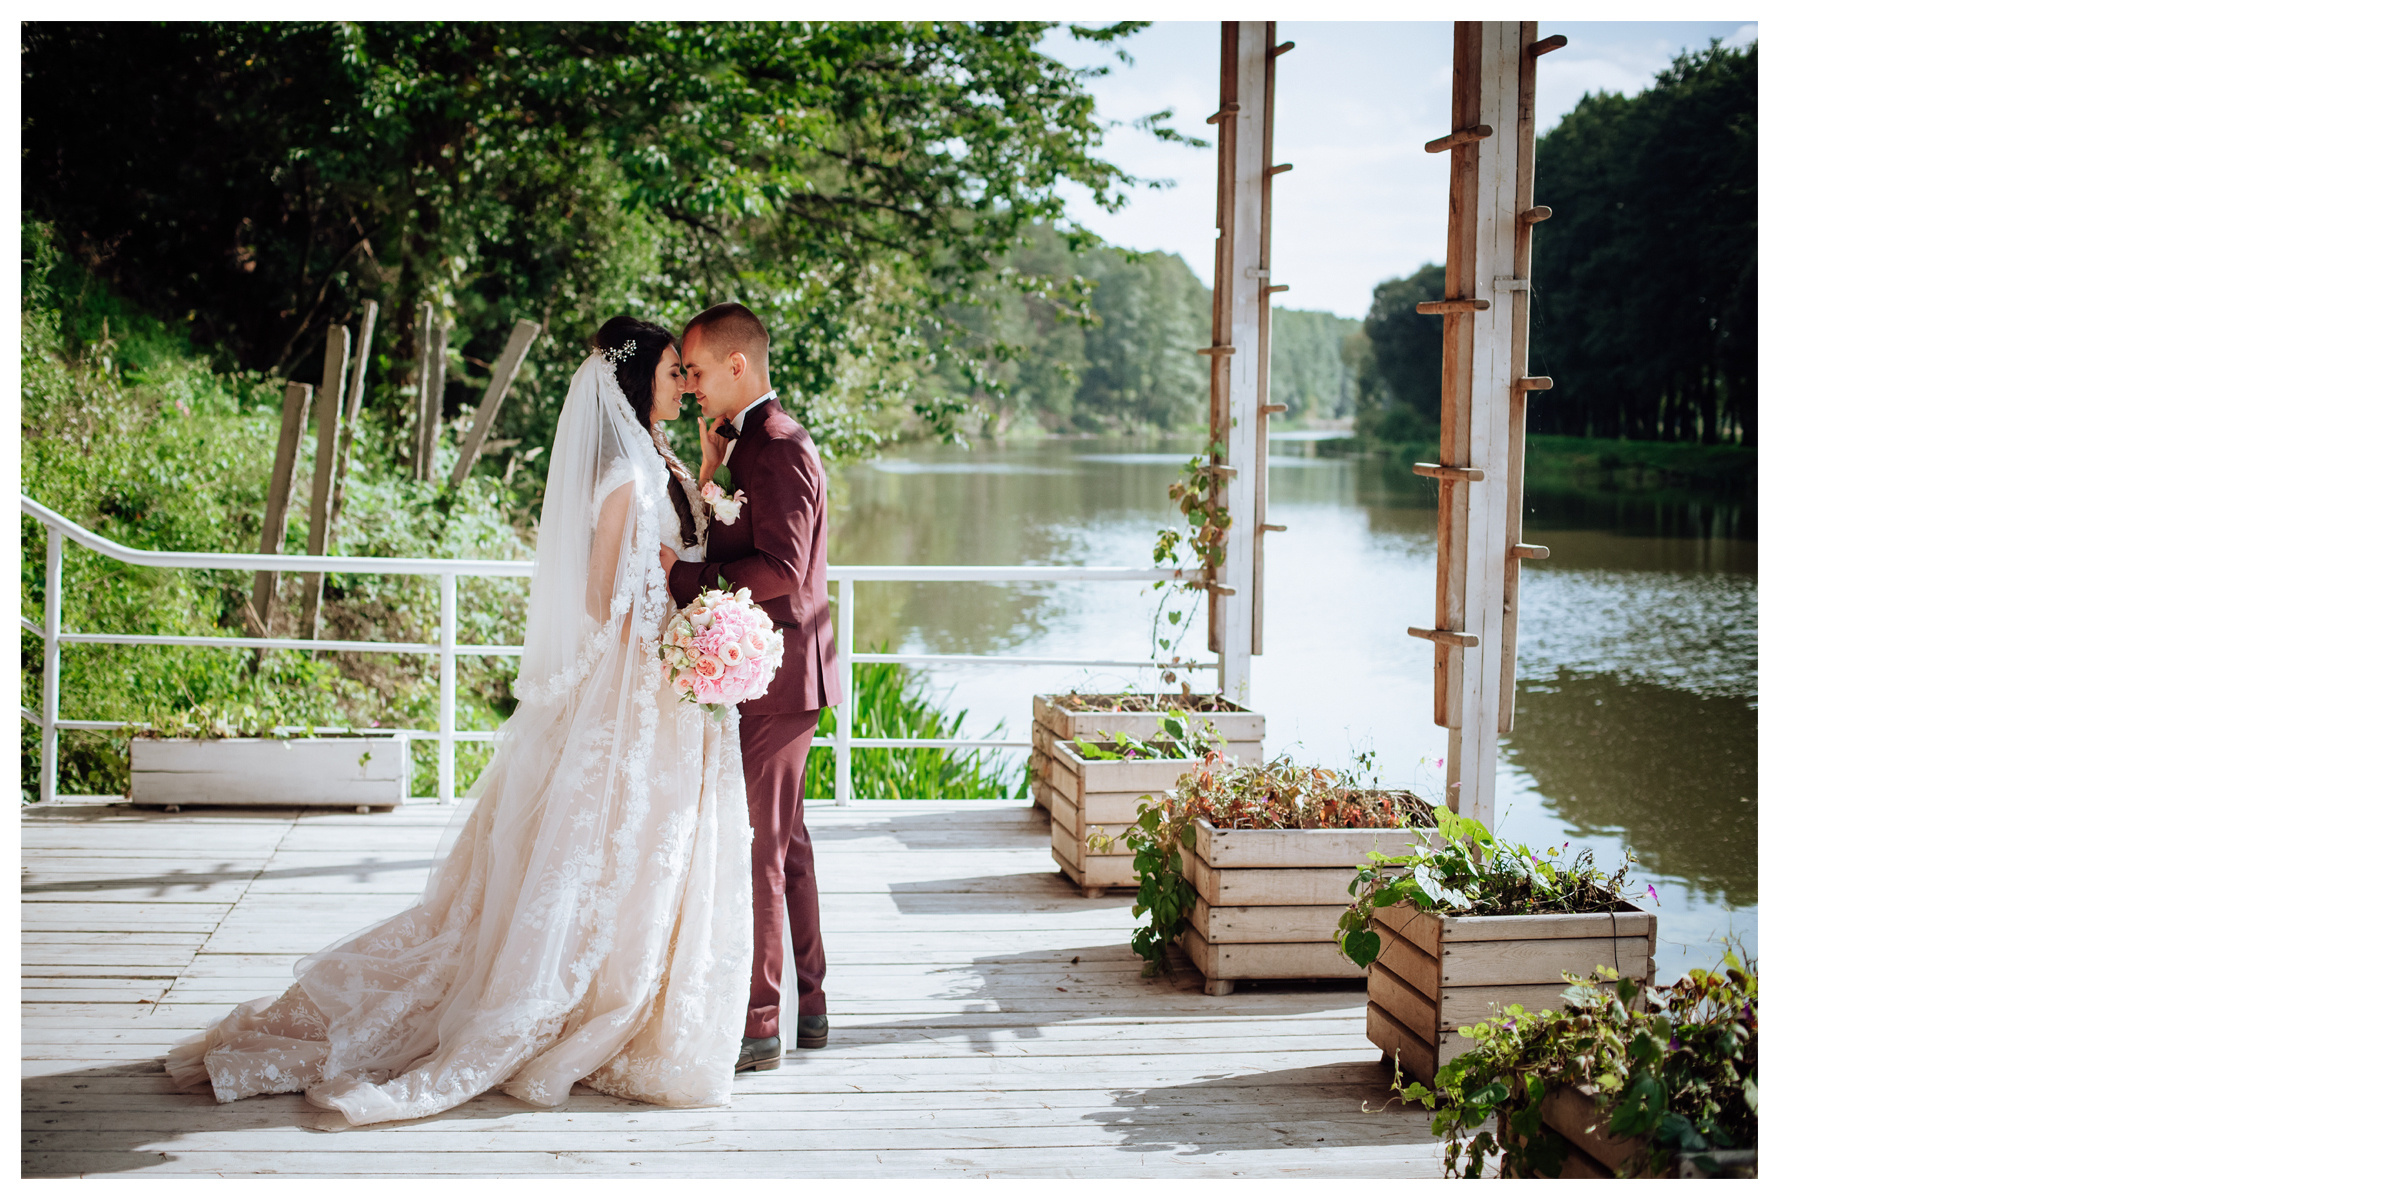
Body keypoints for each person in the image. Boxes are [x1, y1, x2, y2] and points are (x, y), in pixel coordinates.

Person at [163, 318, 753, 1125]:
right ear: (634, 378)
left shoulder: (658, 453)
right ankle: (558, 1006)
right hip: (633, 679)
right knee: (598, 843)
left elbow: (676, 547)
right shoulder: (621, 467)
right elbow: (598, 593)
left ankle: (626, 1004)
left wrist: (701, 508)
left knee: (636, 845)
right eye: (668, 371)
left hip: (659, 682)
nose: (682, 383)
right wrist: (668, 634)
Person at [663, 302, 842, 1072]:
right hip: (773, 677)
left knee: (761, 849)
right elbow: (752, 536)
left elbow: (786, 575)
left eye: (697, 372)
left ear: (739, 366)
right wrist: (710, 479)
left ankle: (760, 1023)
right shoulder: (747, 448)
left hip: (780, 679)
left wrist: (687, 579)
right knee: (789, 847)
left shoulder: (780, 447)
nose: (691, 385)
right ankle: (812, 1005)